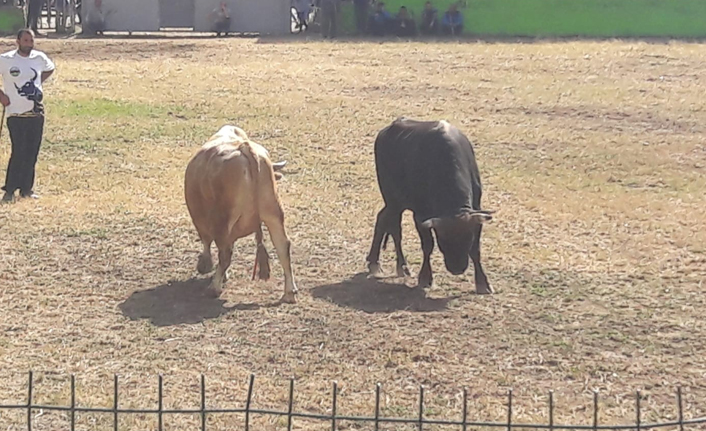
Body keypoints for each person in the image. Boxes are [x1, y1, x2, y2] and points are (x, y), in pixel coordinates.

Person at [0, 29, 55, 203]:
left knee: (32, 152)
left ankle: (26, 189)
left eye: (31, 40)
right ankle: (9, 190)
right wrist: (2, 96)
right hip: (15, 113)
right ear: (17, 41)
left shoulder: (39, 58)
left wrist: (38, 82)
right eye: (25, 40)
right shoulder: (6, 59)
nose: (29, 44)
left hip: (36, 112)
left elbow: (49, 69)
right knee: (19, 151)